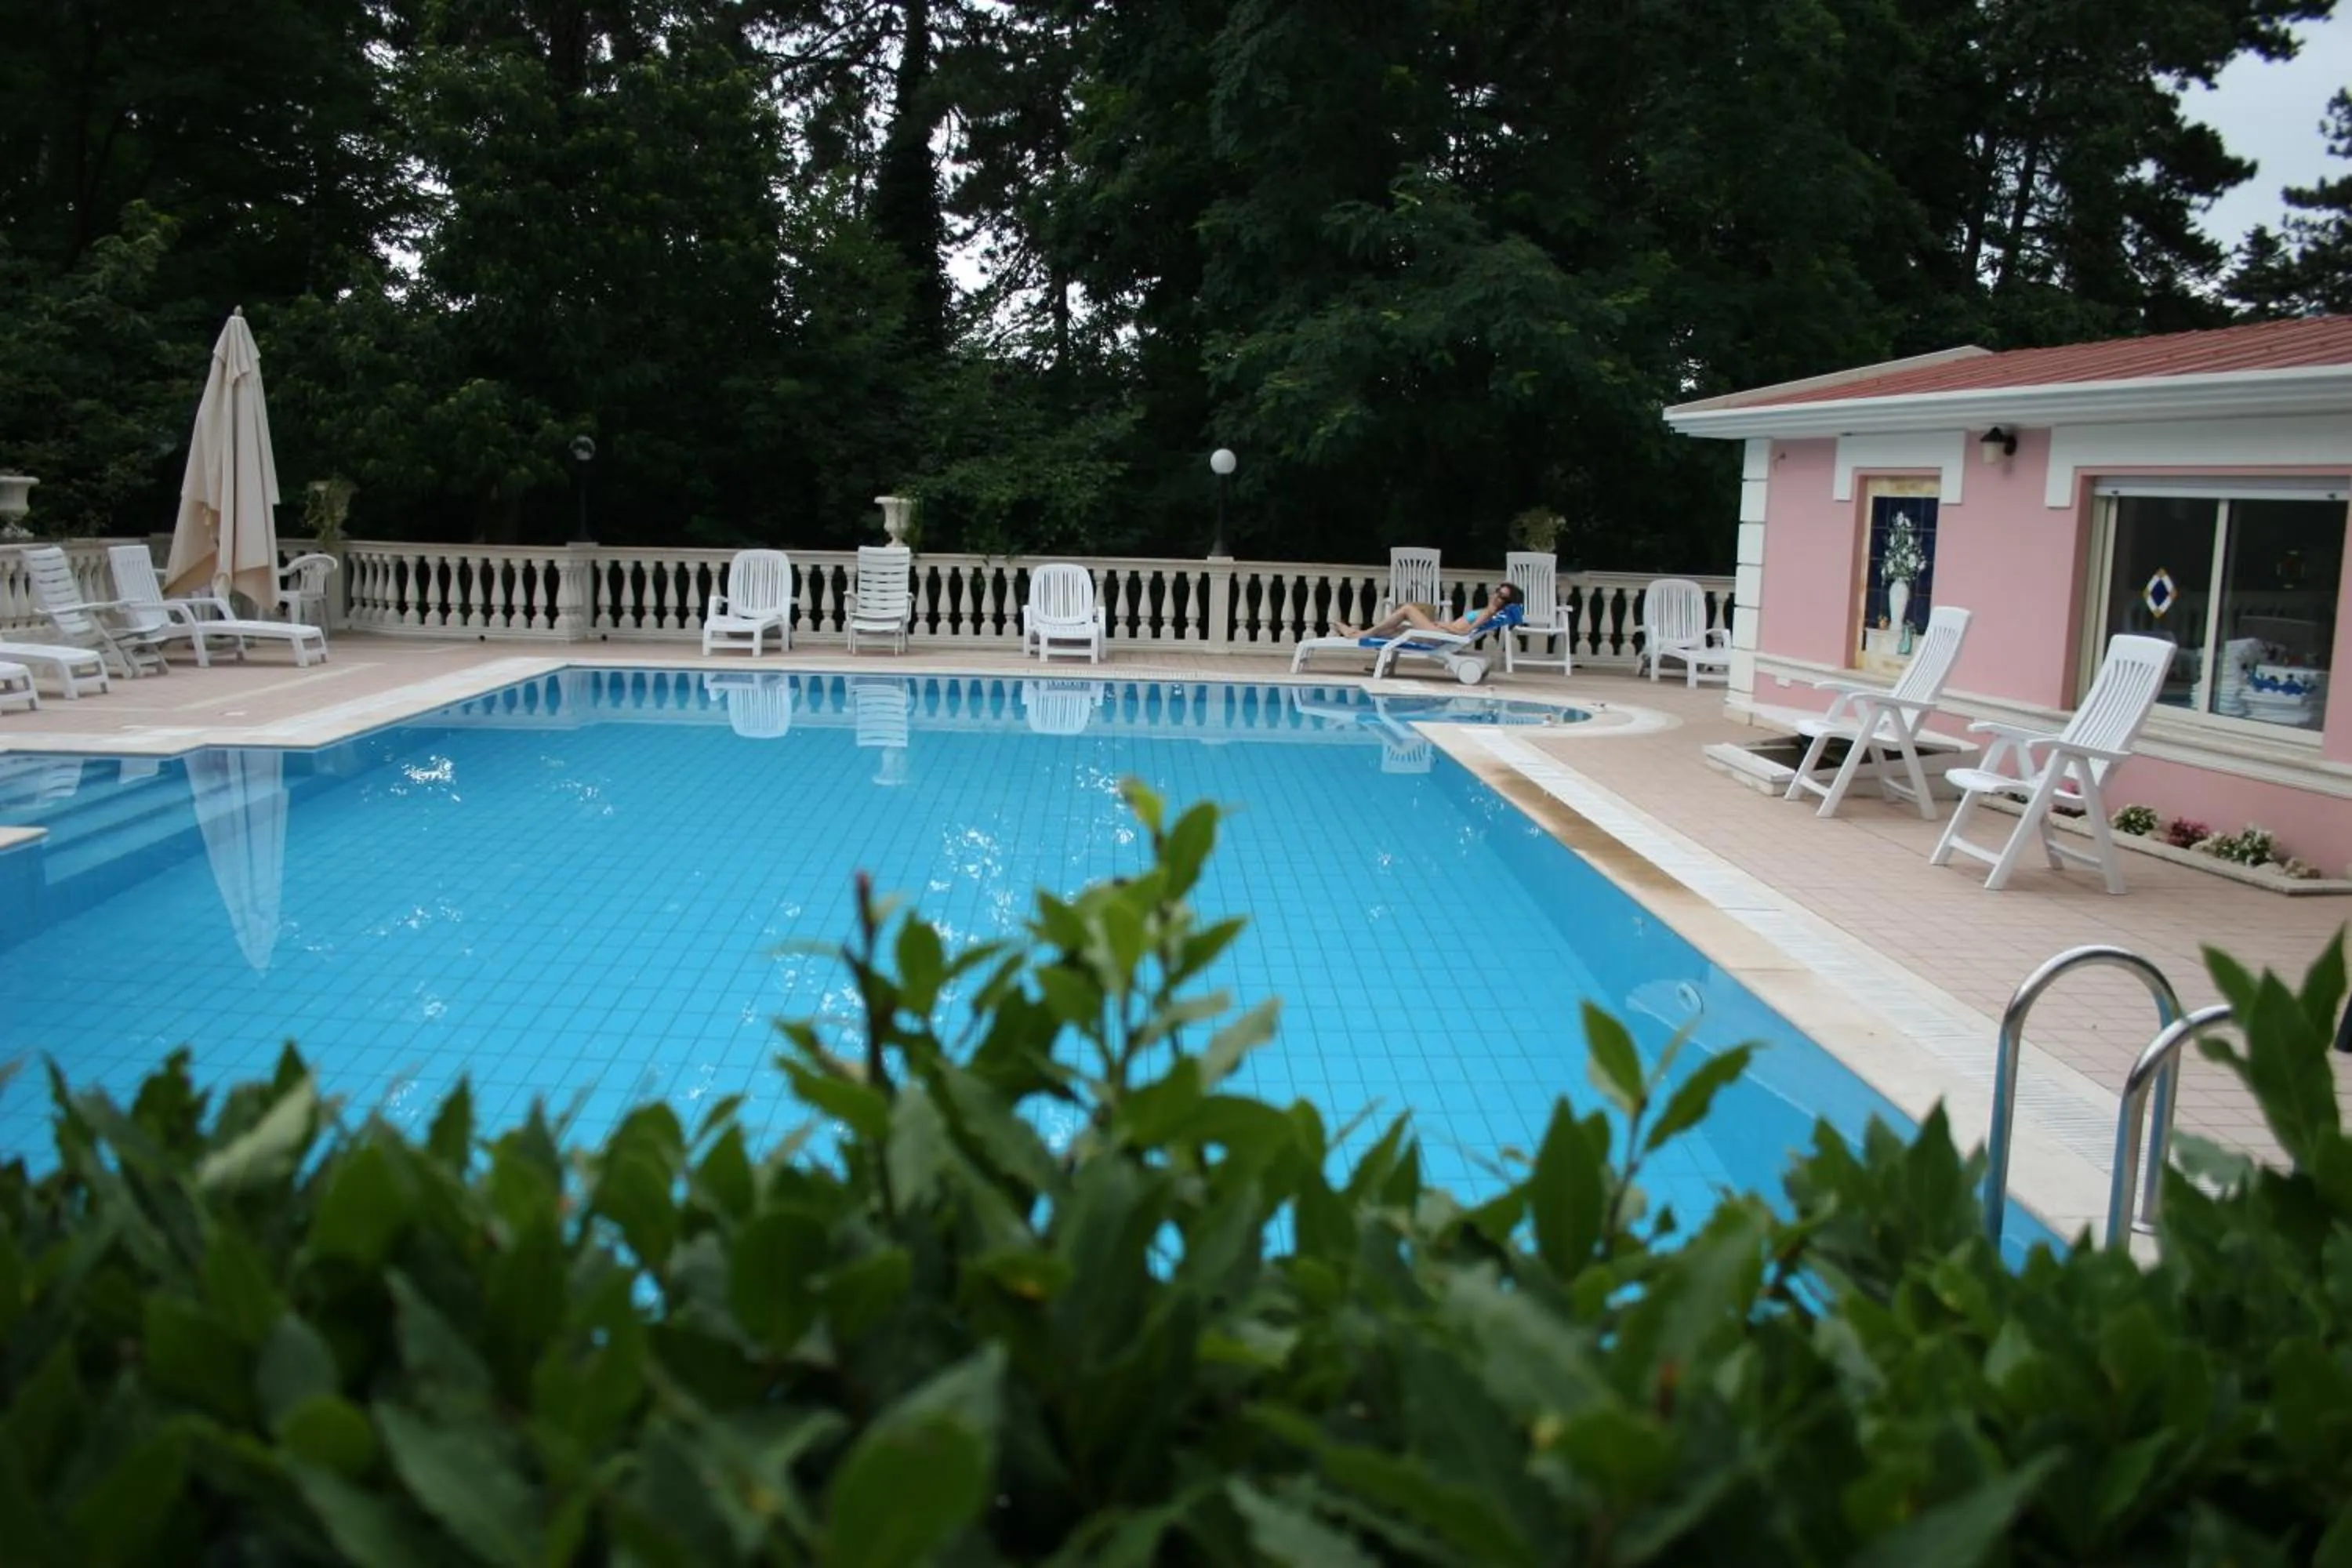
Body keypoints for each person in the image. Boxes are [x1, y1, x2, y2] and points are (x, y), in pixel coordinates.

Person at [1334, 580, 1520, 641]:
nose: (1497, 597)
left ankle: (1360, 635)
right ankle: (1357, 633)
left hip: (1442, 636)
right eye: (1498, 592)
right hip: (1441, 634)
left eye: (1502, 597)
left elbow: (1465, 632)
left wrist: (1445, 626)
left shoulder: (1488, 613)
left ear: (1506, 603)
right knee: (1397, 631)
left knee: (1407, 609)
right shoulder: (1487, 610)